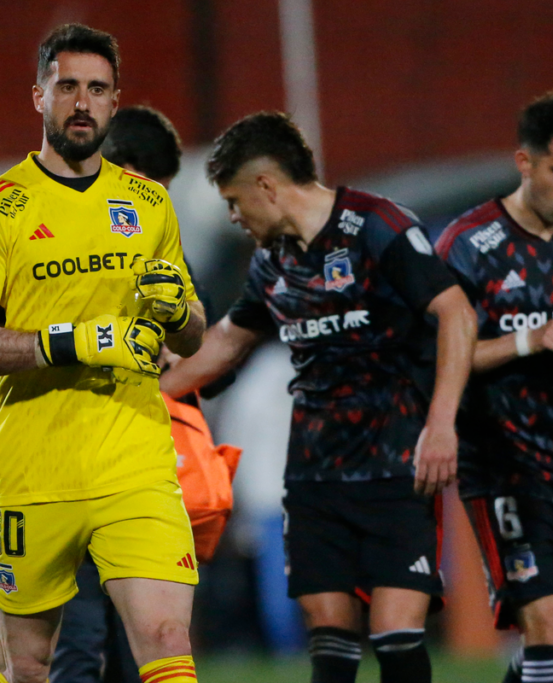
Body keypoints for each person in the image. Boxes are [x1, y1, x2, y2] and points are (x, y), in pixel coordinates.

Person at [160, 111, 477, 683]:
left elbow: (454, 310)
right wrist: (146, 393)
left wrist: (443, 423)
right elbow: (229, 342)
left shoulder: (377, 225)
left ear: (266, 186)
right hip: (312, 475)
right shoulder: (272, 261)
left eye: (234, 200)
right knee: (328, 635)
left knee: (397, 633)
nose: (234, 215)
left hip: (395, 463)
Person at [0, 24, 206, 683]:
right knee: (30, 664)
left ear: (115, 102)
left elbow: (193, 330)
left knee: (168, 637)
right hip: (34, 468)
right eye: (67, 87)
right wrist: (72, 341)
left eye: (97, 89)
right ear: (39, 96)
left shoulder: (149, 203)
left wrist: (177, 311)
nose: (81, 102)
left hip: (135, 460)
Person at [435, 90, 553, 683]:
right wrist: (525, 341)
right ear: (525, 163)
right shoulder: (469, 244)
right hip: (499, 463)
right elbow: (436, 355)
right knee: (542, 624)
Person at [50, 105, 239, 683]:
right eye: (155, 186)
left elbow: (211, 357)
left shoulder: (164, 254)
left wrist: (175, 354)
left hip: (135, 477)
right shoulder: (45, 237)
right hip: (66, 472)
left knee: (141, 646)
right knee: (81, 648)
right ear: (128, 170)